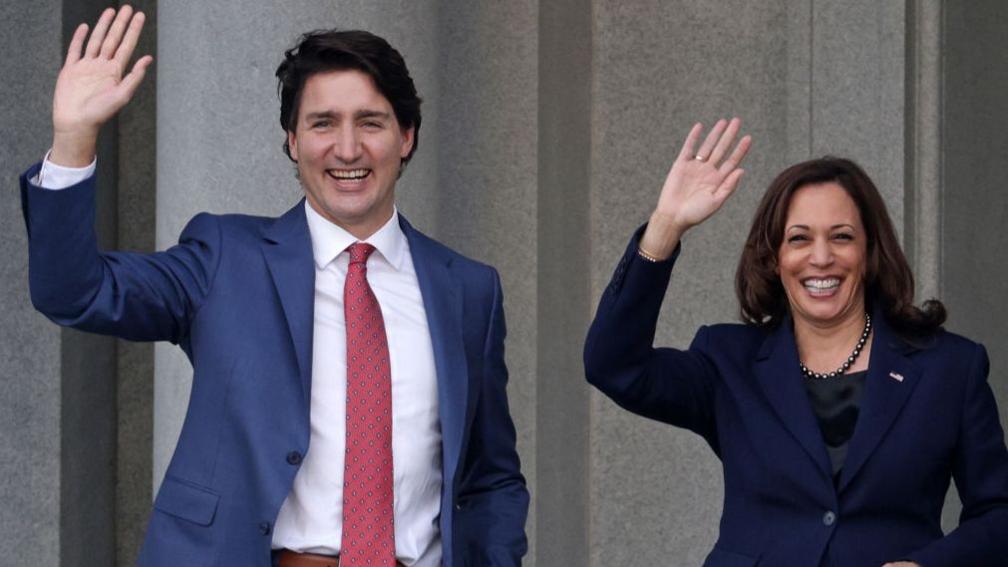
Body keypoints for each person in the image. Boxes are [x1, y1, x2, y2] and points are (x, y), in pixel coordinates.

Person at [20, 6, 528, 567]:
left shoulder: (468, 290)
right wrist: (73, 141)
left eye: (371, 122)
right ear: (292, 140)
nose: (348, 148)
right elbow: (74, 291)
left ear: (406, 137)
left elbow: (490, 477)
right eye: (322, 123)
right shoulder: (226, 259)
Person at [584, 118, 1008, 566]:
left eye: (841, 237)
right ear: (775, 258)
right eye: (799, 239)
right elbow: (612, 365)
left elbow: (998, 514)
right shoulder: (728, 361)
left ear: (869, 252)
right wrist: (666, 227)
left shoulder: (948, 368)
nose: (820, 257)